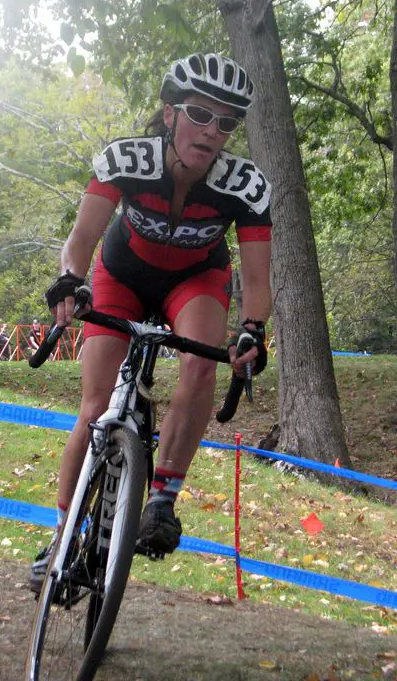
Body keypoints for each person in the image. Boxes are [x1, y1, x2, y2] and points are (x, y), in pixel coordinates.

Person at [31, 53, 272, 590]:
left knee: (201, 364)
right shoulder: (127, 160)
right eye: (199, 114)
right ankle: (65, 534)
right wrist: (71, 280)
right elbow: (80, 241)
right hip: (121, 274)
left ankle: (162, 498)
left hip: (196, 281)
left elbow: (257, 282)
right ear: (170, 115)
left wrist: (253, 328)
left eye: (226, 122)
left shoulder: (245, 185)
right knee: (95, 406)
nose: (212, 131)